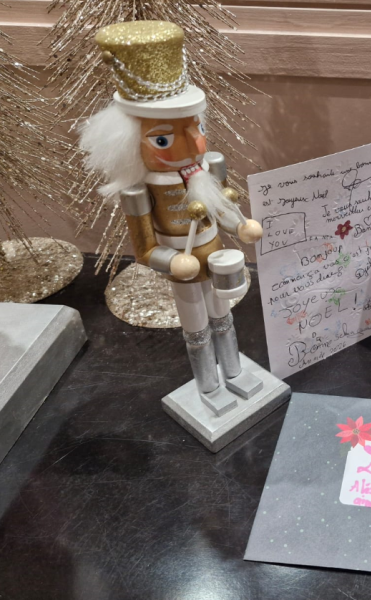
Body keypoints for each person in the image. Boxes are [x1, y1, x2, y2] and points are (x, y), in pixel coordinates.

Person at [80, 21, 265, 416]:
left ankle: (234, 372)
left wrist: (239, 226)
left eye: (197, 127)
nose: (195, 143)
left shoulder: (209, 167)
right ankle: (209, 385)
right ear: (130, 145)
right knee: (196, 330)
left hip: (215, 257)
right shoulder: (140, 192)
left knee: (223, 318)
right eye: (163, 139)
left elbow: (221, 209)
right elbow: (144, 249)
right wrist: (173, 261)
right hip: (183, 267)